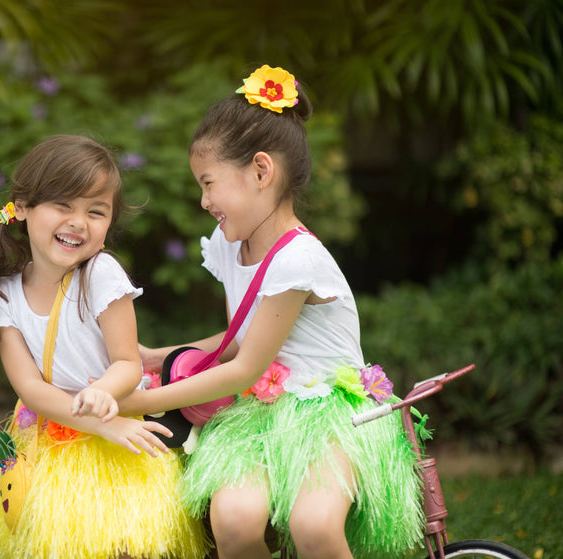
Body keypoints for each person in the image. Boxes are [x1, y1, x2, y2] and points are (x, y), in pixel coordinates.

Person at [118, 66, 424, 559]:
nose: (204, 201)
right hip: (264, 412)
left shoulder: (297, 259)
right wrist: (159, 356)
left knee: (314, 525)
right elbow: (240, 341)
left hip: (329, 412)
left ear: (261, 171)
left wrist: (137, 404)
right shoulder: (229, 244)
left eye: (209, 183)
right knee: (234, 520)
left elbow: (244, 368)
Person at [0, 134, 209, 559]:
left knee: (125, 544)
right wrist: (99, 424)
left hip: (117, 429)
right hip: (56, 437)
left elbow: (128, 363)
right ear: (22, 208)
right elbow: (31, 388)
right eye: (63, 205)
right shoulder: (3, 295)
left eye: (96, 212)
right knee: (59, 543)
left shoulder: (100, 274)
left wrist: (103, 394)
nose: (79, 221)